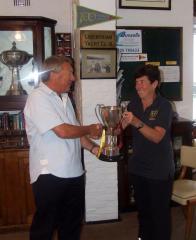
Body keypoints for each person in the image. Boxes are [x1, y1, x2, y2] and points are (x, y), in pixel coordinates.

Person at [24, 55, 102, 240]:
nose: (74, 78)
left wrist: (94, 149)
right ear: (54, 74)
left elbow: (76, 134)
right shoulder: (38, 97)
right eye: (71, 73)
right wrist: (90, 129)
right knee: (45, 228)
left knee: (72, 226)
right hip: (49, 174)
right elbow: (63, 131)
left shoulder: (66, 99)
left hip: (74, 173)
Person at [121, 64, 174, 240]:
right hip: (138, 169)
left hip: (159, 170)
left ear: (154, 84)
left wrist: (136, 122)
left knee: (159, 216)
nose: (138, 87)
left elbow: (157, 137)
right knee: (143, 214)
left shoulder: (164, 106)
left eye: (142, 82)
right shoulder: (133, 104)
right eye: (136, 83)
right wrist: (112, 125)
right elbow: (118, 128)